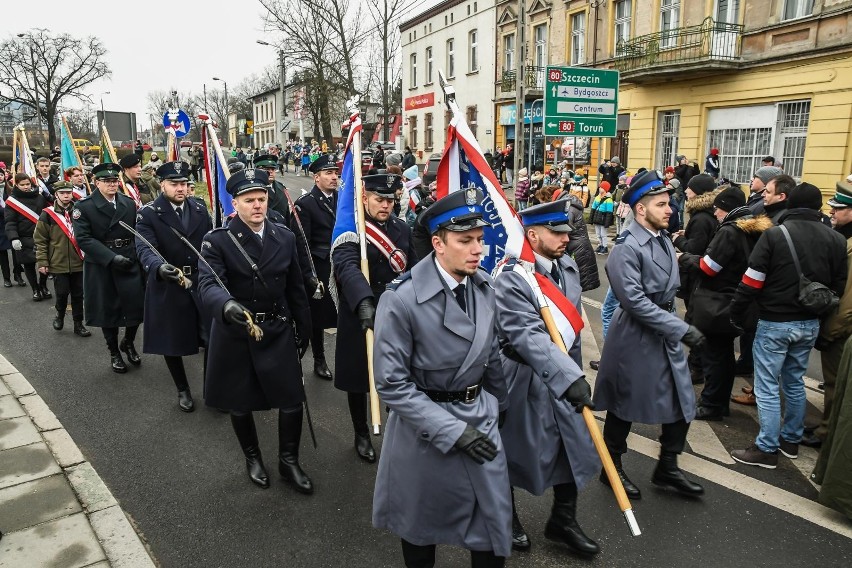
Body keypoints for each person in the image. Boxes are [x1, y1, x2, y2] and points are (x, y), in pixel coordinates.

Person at [372, 187, 511, 567]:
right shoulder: (401, 299)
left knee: (493, 530)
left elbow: (490, 355)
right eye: (465, 240)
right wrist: (451, 431)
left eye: (480, 240)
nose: (477, 249)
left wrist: (500, 405)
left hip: (479, 418)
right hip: (426, 429)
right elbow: (391, 384)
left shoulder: (483, 287)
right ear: (438, 243)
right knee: (421, 531)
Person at [495, 199, 600, 556]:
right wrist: (568, 376)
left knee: (573, 447)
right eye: (556, 233)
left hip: (564, 375)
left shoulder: (567, 266)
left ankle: (563, 520)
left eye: (566, 232)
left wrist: (575, 374)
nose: (565, 239)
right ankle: (505, 516)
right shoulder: (512, 276)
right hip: (523, 376)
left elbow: (571, 329)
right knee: (510, 451)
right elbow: (526, 335)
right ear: (533, 235)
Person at [198, 168, 313, 493]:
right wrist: (226, 305)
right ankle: (253, 458)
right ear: (235, 203)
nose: (257, 205)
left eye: (261, 199)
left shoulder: (284, 236)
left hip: (276, 328)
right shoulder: (217, 239)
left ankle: (288, 461)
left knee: (292, 399)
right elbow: (208, 283)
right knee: (241, 401)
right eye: (249, 200)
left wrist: (303, 327)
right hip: (237, 331)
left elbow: (295, 288)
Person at [593, 170, 706, 500]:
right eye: (661, 204)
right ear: (641, 209)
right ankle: (611, 467)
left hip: (665, 331)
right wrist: (681, 329)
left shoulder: (662, 239)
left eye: (668, 203)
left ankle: (667, 467)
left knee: (683, 398)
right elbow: (635, 302)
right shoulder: (626, 249)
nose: (669, 209)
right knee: (624, 404)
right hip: (636, 336)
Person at [729, 183, 847, 468]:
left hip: (775, 322)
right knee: (794, 382)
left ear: (790, 204)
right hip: (809, 323)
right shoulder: (836, 240)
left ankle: (766, 448)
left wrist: (736, 311)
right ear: (819, 207)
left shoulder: (775, 235)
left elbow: (752, 280)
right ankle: (790, 440)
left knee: (768, 386)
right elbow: (838, 286)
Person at [333, 173, 417, 464]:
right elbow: (345, 265)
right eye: (379, 199)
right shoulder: (351, 228)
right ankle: (361, 433)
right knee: (359, 377)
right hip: (360, 309)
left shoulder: (401, 229)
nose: (386, 206)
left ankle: (396, 429)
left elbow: (414, 268)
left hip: (395, 312)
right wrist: (364, 300)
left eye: (391, 200)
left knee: (398, 372)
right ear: (364, 197)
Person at [678, 187, 771, 420]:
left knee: (715, 357)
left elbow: (709, 267)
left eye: (718, 209)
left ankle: (711, 404)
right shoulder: (755, 230)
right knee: (724, 356)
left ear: (727, 209)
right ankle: (716, 403)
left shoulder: (730, 231)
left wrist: (685, 258)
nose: (716, 214)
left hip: (717, 302)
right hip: (734, 301)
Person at [135, 161, 213, 413]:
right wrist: (158, 267)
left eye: (184, 184)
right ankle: (182, 389)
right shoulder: (148, 213)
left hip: (201, 283)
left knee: (213, 338)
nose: (181, 189)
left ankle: (211, 387)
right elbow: (145, 248)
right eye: (174, 184)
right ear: (162, 184)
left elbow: (212, 243)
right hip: (170, 283)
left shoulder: (200, 208)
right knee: (173, 340)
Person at [73, 163, 145, 373]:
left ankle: (128, 342)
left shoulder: (128, 203)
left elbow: (136, 232)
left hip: (129, 259)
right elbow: (84, 239)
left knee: (135, 306)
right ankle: (114, 351)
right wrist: (112, 258)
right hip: (102, 263)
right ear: (96, 183)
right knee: (109, 310)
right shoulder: (83, 207)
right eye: (107, 181)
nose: (113, 184)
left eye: (115, 180)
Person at [809, 179, 852, 447]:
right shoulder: (844, 238)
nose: (832, 212)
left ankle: (827, 434)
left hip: (843, 332)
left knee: (836, 385)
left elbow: (848, 302)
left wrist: (829, 332)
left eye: (839, 208)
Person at [294, 154, 340, 380]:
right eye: (328, 173)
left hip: (341, 263)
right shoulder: (306, 205)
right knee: (318, 317)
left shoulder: (344, 200)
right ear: (316, 178)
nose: (334, 177)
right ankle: (319, 359)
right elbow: (302, 244)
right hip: (319, 265)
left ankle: (343, 357)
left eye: (335, 173)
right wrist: (309, 274)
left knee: (344, 313)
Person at [34, 181, 89, 337]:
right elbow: (41, 240)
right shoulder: (48, 214)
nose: (66, 196)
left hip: (79, 260)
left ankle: (79, 324)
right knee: (62, 293)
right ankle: (59, 315)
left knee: (79, 295)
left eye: (69, 192)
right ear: (56, 195)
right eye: (62, 193)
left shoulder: (80, 211)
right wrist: (43, 261)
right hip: (58, 262)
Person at [5, 173, 51, 300]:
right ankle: (35, 289)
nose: (26, 187)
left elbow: (48, 214)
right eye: (22, 185)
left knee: (45, 263)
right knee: (29, 264)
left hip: (41, 236)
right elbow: (10, 221)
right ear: (16, 185)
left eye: (28, 184)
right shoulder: (12, 201)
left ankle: (43, 285)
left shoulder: (40, 197)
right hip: (23, 237)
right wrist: (13, 237)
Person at [253, 153, 290, 223]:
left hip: (281, 230)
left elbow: (286, 213)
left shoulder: (281, 187)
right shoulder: (253, 189)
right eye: (266, 169)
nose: (270, 172)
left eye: (273, 169)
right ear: (257, 170)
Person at [589, 181, 614, 254]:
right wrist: (591, 219)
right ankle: (600, 245)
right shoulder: (597, 197)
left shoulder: (609, 200)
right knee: (598, 234)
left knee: (603, 234)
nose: (600, 189)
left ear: (606, 189)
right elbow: (593, 208)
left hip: (603, 219)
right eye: (600, 187)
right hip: (597, 218)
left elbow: (609, 212)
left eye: (602, 188)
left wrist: (607, 222)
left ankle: (605, 247)